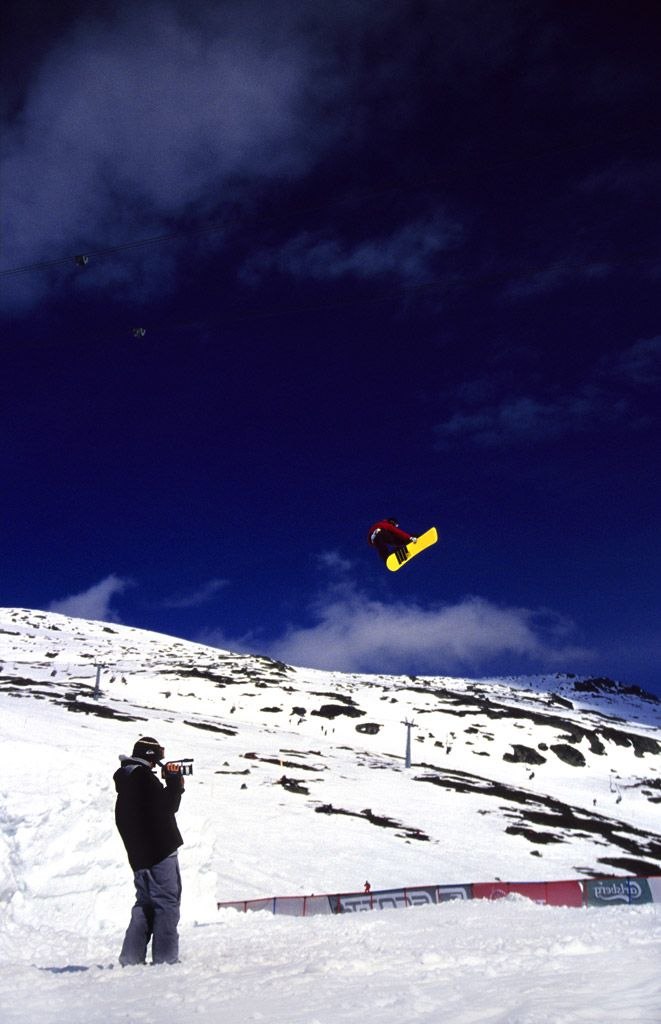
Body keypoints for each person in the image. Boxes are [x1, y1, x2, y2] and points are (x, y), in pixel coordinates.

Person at [114, 736, 185, 966]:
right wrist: (174, 784)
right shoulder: (143, 779)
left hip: (139, 856)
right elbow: (166, 808)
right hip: (159, 852)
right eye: (157, 759)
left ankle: (130, 959)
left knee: (145, 904)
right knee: (166, 903)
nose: (158, 765)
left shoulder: (127, 780)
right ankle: (165, 961)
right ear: (150, 756)